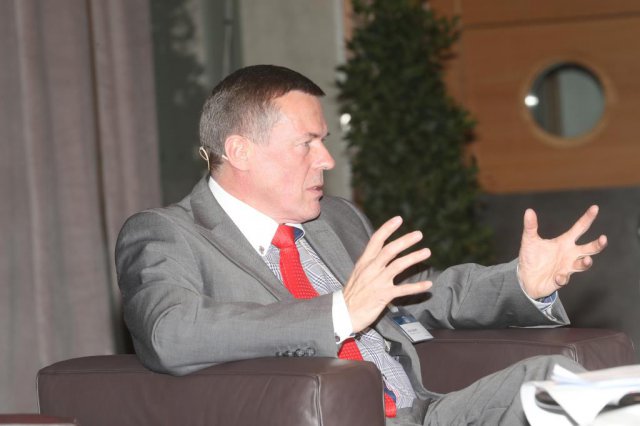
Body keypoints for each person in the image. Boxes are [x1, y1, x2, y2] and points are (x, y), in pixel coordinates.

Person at [115, 64, 608, 425]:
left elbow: (417, 295)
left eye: (324, 140)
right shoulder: (167, 233)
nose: (327, 159)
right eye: (307, 143)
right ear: (240, 151)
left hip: (425, 414)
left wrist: (522, 281)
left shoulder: (336, 218)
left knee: (564, 384)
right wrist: (338, 315)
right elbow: (170, 334)